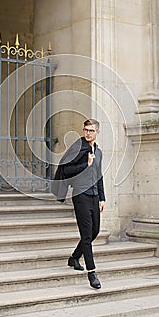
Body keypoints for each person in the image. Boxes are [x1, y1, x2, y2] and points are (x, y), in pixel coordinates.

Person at [52, 119, 106, 289]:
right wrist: (85, 164)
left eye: (91, 130)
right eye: (85, 130)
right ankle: (92, 273)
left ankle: (74, 257)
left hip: (94, 195)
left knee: (95, 230)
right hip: (80, 194)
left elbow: (99, 175)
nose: (87, 133)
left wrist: (102, 197)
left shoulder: (98, 151)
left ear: (97, 132)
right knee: (87, 235)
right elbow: (66, 170)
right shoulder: (78, 148)